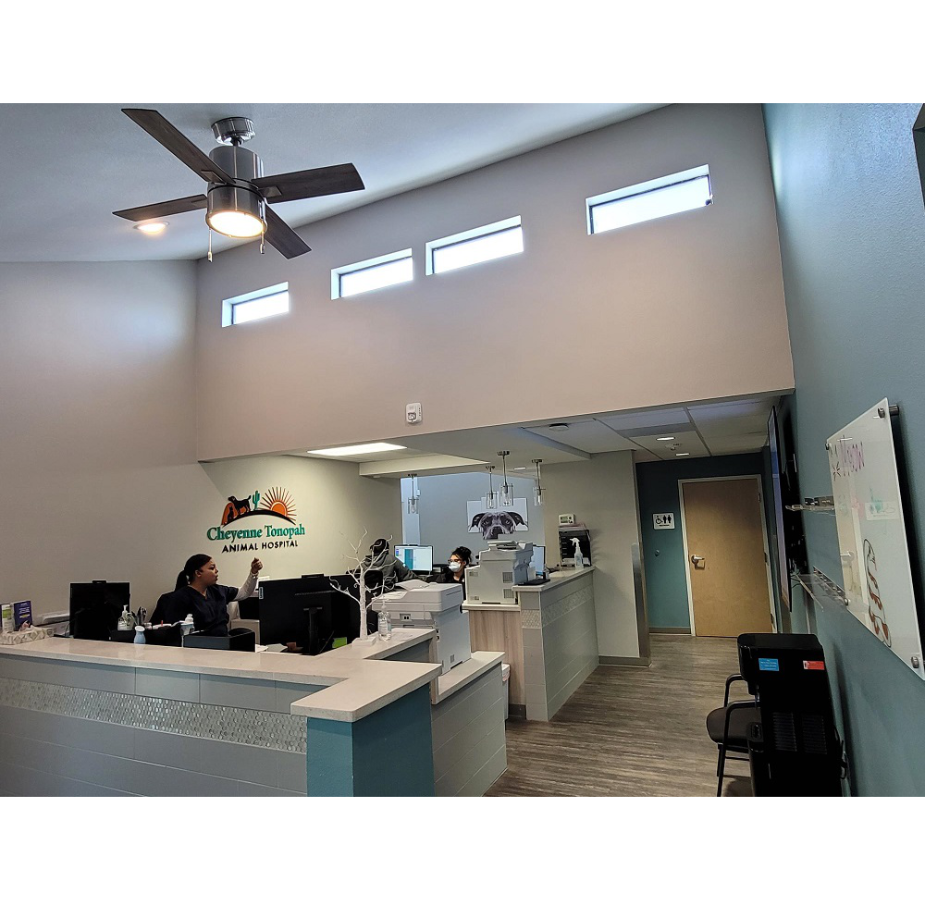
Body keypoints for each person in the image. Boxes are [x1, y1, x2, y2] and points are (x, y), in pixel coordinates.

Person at [152, 555, 263, 637]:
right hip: (201, 647)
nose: (216, 571)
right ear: (198, 573)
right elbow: (177, 633)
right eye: (211, 568)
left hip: (224, 642)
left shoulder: (217, 591)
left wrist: (253, 573)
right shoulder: (180, 598)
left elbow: (244, 593)